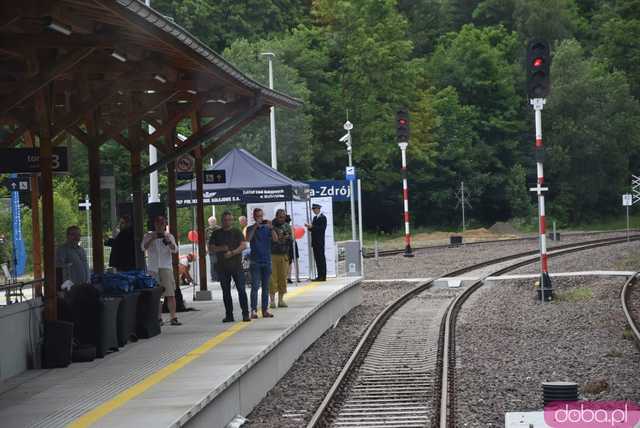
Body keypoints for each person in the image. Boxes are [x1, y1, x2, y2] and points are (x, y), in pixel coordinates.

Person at [209, 211, 250, 323]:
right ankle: (229, 315)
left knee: (241, 290)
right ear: (222, 220)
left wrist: (232, 253)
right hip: (222, 267)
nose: (228, 222)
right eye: (226, 220)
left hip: (236, 266)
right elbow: (211, 248)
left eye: (230, 219)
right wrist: (222, 248)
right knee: (226, 292)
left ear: (232, 220)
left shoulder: (236, 231)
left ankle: (245, 314)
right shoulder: (216, 233)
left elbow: (243, 245)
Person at [142, 215, 181, 326]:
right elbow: (143, 248)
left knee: (170, 293)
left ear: (165, 225)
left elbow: (175, 250)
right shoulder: (148, 235)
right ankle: (158, 318)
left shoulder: (169, 236)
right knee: (156, 295)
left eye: (162, 223)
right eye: (158, 223)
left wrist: (168, 241)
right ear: (155, 224)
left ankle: (173, 317)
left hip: (165, 266)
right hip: (153, 268)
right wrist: (152, 238)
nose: (160, 226)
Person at [245, 208, 276, 319]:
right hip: (255, 261)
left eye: (261, 216)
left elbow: (275, 239)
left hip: (266, 260)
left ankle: (265, 310)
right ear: (254, 217)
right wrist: (255, 227)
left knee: (266, 287)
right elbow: (248, 239)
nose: (260, 218)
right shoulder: (250, 228)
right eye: (257, 216)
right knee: (255, 286)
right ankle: (253, 310)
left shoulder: (267, 228)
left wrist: (272, 228)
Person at [269, 209, 292, 308]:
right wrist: (281, 237)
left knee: (283, 278)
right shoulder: (271, 226)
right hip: (273, 254)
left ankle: (281, 300)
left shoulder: (287, 226)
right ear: (276, 216)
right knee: (272, 278)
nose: (282, 219)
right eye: (280, 217)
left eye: (284, 217)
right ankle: (272, 301)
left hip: (284, 254)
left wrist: (286, 238)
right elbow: (272, 240)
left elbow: (291, 239)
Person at [305, 203, 327, 281]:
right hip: (315, 242)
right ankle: (319, 275)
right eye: (313, 209)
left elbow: (321, 229)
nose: (314, 211)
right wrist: (309, 227)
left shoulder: (323, 218)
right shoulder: (315, 218)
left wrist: (312, 227)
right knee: (317, 259)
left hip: (320, 241)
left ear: (318, 209)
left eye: (314, 209)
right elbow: (313, 229)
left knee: (321, 258)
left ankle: (323, 275)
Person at [285, 215, 299, 284]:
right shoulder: (291, 227)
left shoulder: (286, 228)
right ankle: (297, 277)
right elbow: (293, 237)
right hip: (293, 244)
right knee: (294, 261)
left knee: (289, 262)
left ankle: (289, 277)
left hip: (288, 245)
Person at [205, 216, 220, 282]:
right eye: (211, 222)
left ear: (216, 222)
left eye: (213, 221)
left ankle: (219, 277)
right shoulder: (207, 230)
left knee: (219, 263)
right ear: (209, 223)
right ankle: (214, 277)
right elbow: (205, 240)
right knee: (213, 263)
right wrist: (206, 248)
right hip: (211, 249)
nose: (212, 223)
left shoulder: (219, 229)